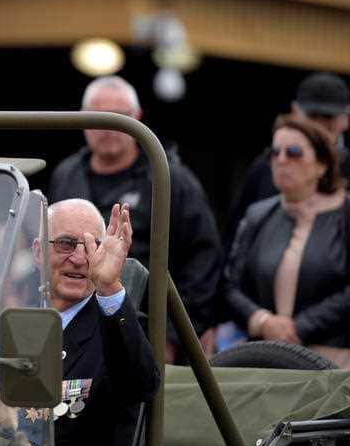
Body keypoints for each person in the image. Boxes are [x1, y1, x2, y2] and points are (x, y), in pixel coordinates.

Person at [48, 75, 222, 359]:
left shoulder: (169, 177)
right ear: (82, 118)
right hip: (71, 326)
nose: (108, 127)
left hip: (145, 328)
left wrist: (171, 337)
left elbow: (202, 261)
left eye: (119, 117)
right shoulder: (66, 174)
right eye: (99, 116)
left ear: (137, 118)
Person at [39, 199, 159, 446]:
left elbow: (140, 385)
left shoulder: (118, 328)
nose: (81, 259)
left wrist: (108, 287)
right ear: (37, 251)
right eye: (66, 244)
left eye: (94, 247)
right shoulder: (13, 321)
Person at [224, 117, 350, 365]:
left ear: (322, 164)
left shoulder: (345, 212)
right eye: (274, 152)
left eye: (293, 152)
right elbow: (230, 285)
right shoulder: (258, 214)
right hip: (266, 359)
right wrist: (263, 321)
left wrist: (301, 326)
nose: (281, 160)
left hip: (335, 363)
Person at [225, 72, 350, 250]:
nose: (319, 126)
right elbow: (235, 234)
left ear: (346, 119)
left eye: (328, 118)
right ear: (295, 112)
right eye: (312, 116)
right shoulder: (267, 165)